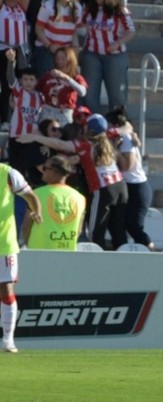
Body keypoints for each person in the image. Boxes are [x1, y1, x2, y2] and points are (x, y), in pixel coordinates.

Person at [18, 113, 128, 250]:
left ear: (89, 129)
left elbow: (60, 144)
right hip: (121, 187)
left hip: (103, 189)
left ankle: (98, 267)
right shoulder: (109, 136)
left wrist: (35, 137)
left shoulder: (85, 145)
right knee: (118, 230)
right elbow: (127, 127)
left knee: (95, 232)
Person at [0, 157, 41, 352]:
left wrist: (37, 211)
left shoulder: (8, 173)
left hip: (4, 244)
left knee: (6, 290)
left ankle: (8, 339)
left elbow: (30, 196)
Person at [80, 0, 135, 114]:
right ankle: (92, 125)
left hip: (115, 57)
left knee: (117, 94)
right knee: (89, 94)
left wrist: (117, 43)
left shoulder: (120, 10)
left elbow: (131, 31)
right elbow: (79, 28)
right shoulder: (88, 10)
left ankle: (118, 126)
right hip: (92, 55)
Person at [106, 107, 152, 250]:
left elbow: (128, 166)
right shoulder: (123, 136)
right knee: (120, 224)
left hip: (136, 187)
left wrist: (115, 151)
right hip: (127, 186)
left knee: (134, 226)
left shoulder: (125, 139)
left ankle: (153, 254)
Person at [0, 0, 38, 128]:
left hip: (21, 51)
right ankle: (4, 120)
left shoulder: (21, 7)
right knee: (6, 85)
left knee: (21, 86)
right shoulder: (1, 6)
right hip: (4, 50)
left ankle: (19, 118)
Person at [23, 154, 85, 251]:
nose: (42, 171)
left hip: (38, 253)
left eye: (45, 168)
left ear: (55, 172)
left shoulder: (36, 194)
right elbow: (79, 230)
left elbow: (26, 227)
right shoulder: (80, 198)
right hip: (67, 253)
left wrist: (29, 246)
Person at [33, 0, 82, 77]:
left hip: (66, 50)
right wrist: (50, 46)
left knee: (66, 81)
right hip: (46, 48)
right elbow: (38, 29)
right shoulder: (48, 6)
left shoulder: (77, 8)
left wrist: (75, 54)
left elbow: (74, 32)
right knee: (46, 80)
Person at [37, 46, 88, 126]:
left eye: (63, 58)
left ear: (70, 59)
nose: (59, 61)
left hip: (65, 112)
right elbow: (36, 89)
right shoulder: (48, 75)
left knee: (63, 135)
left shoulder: (76, 77)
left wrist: (67, 78)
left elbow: (82, 92)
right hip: (48, 110)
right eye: (57, 58)